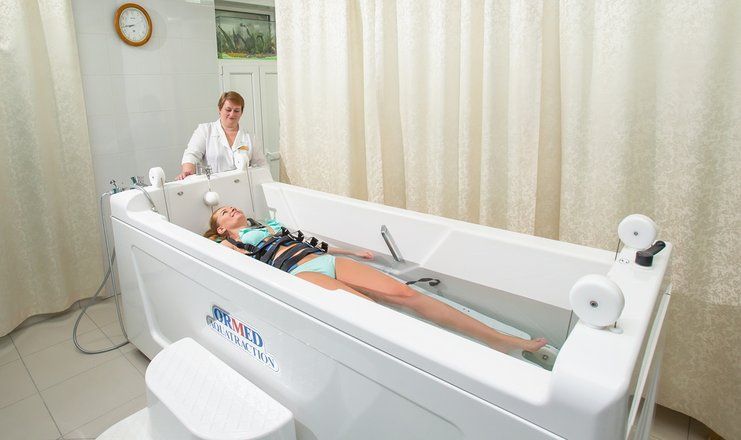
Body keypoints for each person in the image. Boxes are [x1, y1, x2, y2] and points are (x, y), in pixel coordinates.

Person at [205, 205, 548, 354]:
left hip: (325, 262)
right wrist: (222, 241)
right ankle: (447, 355)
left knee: (405, 295)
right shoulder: (230, 244)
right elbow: (222, 259)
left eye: (232, 206)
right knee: (371, 312)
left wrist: (352, 252)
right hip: (299, 275)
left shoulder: (269, 224)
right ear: (221, 228)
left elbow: (314, 243)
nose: (231, 209)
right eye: (224, 212)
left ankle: (496, 339)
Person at [177, 91, 267, 180]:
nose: (232, 114)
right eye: (228, 110)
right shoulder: (205, 131)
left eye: (236, 111)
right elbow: (192, 155)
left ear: (241, 113)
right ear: (219, 109)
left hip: (243, 185)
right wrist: (188, 172)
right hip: (214, 186)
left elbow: (262, 165)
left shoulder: (250, 138)